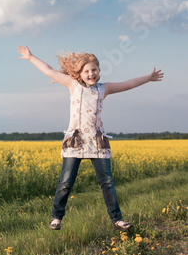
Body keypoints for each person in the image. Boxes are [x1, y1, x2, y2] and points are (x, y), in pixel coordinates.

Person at [17, 45, 164, 231]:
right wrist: (31, 57)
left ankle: (117, 220)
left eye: (94, 70)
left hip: (97, 142)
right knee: (65, 182)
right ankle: (56, 217)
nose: (91, 73)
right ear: (79, 73)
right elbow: (49, 70)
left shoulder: (104, 89)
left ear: (99, 71)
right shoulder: (73, 85)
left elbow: (128, 83)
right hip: (75, 141)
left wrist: (148, 78)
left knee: (107, 183)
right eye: (86, 70)